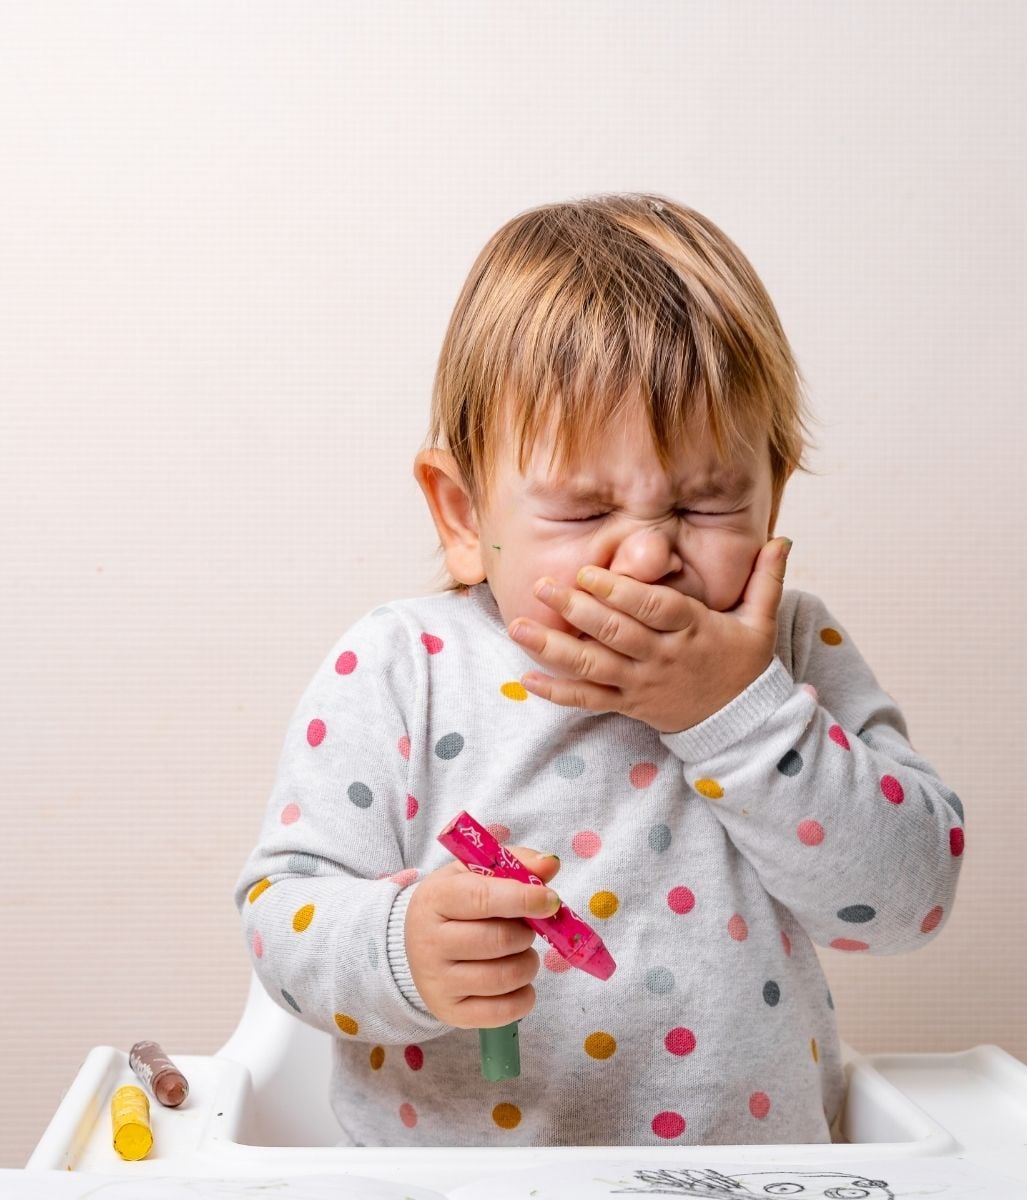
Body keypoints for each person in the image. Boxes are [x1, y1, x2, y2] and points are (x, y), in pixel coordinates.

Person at [234, 192, 966, 1147]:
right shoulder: (400, 667)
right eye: (584, 514)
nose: (647, 558)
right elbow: (282, 917)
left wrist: (738, 714)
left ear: (772, 492)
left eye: (707, 505)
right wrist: (403, 950)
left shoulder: (785, 650)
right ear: (463, 517)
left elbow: (911, 902)